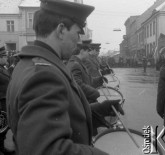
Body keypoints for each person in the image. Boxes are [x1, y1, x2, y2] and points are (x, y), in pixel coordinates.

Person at [6, 0, 124, 154]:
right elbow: (47, 149)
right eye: (77, 33)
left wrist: (97, 109)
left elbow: (62, 114)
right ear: (61, 30)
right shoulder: (43, 75)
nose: (78, 41)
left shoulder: (30, 64)